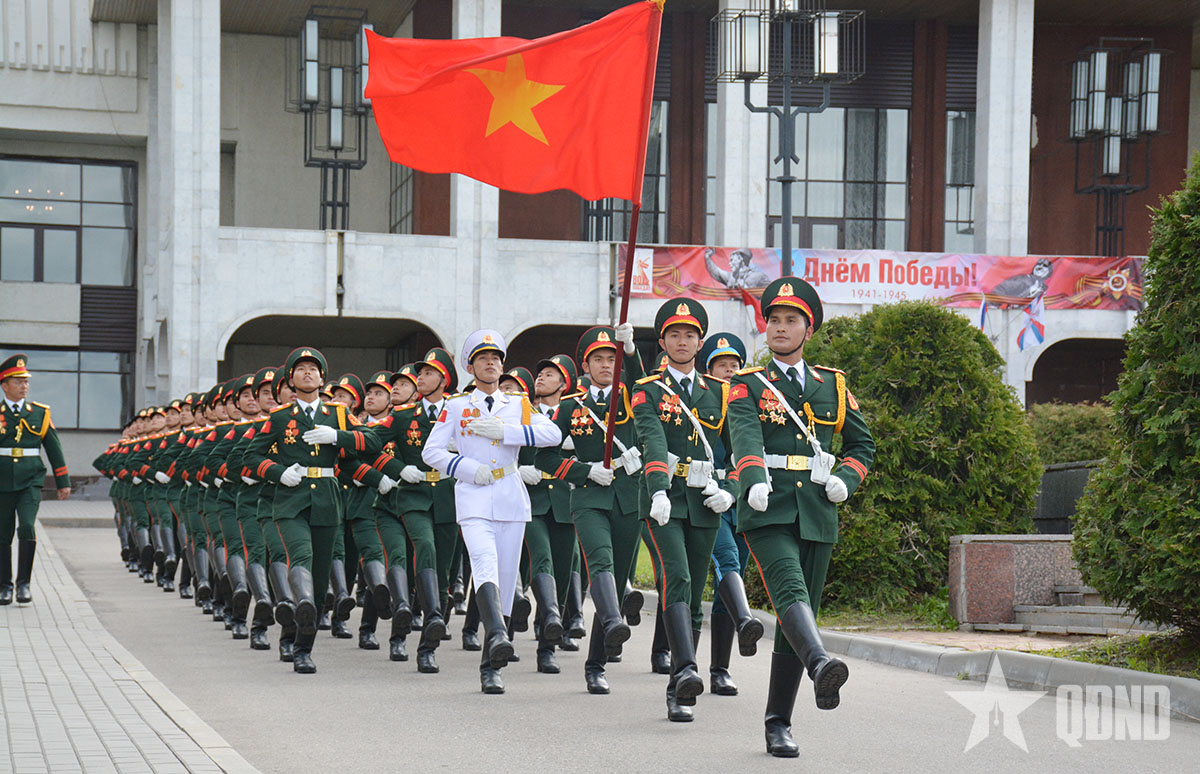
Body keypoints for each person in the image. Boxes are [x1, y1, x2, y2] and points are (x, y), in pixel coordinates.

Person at [726, 277, 875, 757]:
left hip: (816, 510)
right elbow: (743, 434)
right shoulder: (746, 384)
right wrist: (753, 480)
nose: (780, 327)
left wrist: (846, 482)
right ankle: (820, 665)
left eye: (791, 320)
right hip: (766, 507)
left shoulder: (833, 384)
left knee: (800, 612)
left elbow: (862, 445)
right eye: (773, 320)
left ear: (808, 329)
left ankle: (777, 722)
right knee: (789, 590)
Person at [423, 329, 562, 694]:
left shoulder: (517, 404)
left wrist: (507, 431)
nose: (491, 363)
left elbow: (552, 435)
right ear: (471, 366)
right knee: (483, 564)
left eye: (496, 358)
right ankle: (499, 633)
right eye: (483, 358)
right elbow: (432, 452)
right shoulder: (455, 406)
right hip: (473, 494)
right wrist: (466, 468)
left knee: (503, 574)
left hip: (510, 495)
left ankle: (491, 664)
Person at [631, 299, 744, 722]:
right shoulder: (647, 388)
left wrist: (731, 489)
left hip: (705, 502)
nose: (683, 341)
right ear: (662, 341)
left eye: (690, 334)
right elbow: (653, 441)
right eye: (675, 334)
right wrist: (659, 488)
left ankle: (680, 685)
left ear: (700, 342)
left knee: (695, 591)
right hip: (663, 502)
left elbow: (738, 450)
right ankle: (685, 672)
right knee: (675, 577)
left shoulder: (721, 392)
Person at [244, 347, 380, 674]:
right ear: (291, 379)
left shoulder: (338, 414)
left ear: (322, 378)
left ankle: (300, 644)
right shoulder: (279, 418)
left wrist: (339, 435)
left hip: (326, 501)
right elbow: (250, 456)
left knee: (320, 577)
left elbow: (372, 442)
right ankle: (301, 606)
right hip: (290, 500)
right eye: (301, 369)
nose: (308, 373)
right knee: (300, 556)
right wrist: (278, 472)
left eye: (313, 369)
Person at [535, 324, 645, 695]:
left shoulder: (632, 396)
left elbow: (645, 384)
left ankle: (596, 662)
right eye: (598, 359)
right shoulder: (570, 407)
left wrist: (631, 351)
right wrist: (583, 471)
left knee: (618, 575)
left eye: (612, 359)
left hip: (629, 498)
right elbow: (545, 457)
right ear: (586, 365)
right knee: (601, 564)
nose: (606, 365)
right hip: (588, 499)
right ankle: (613, 621)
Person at [365, 348, 457, 672]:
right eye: (421, 372)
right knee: (425, 546)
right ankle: (419, 622)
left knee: (443, 574)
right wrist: (396, 467)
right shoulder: (404, 417)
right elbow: (368, 443)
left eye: (429, 372)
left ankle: (426, 646)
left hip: (449, 497)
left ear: (444, 379)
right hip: (414, 496)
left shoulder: (461, 413)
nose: (421, 377)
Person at [696, 333, 764, 696]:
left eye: (735, 364)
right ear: (708, 371)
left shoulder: (753, 403)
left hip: (743, 501)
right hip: (708, 497)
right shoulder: (701, 403)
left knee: (729, 582)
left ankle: (720, 669)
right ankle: (745, 621)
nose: (730, 370)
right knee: (726, 562)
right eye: (722, 365)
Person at [0, 354, 71, 605]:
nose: (24, 386)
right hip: (2, 481)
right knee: (2, 533)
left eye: (26, 381)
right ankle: (4, 586)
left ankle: (24, 585)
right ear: (4, 385)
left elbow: (54, 448)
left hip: (31, 479)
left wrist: (63, 481)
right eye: (18, 381)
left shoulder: (40, 413)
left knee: (27, 526)